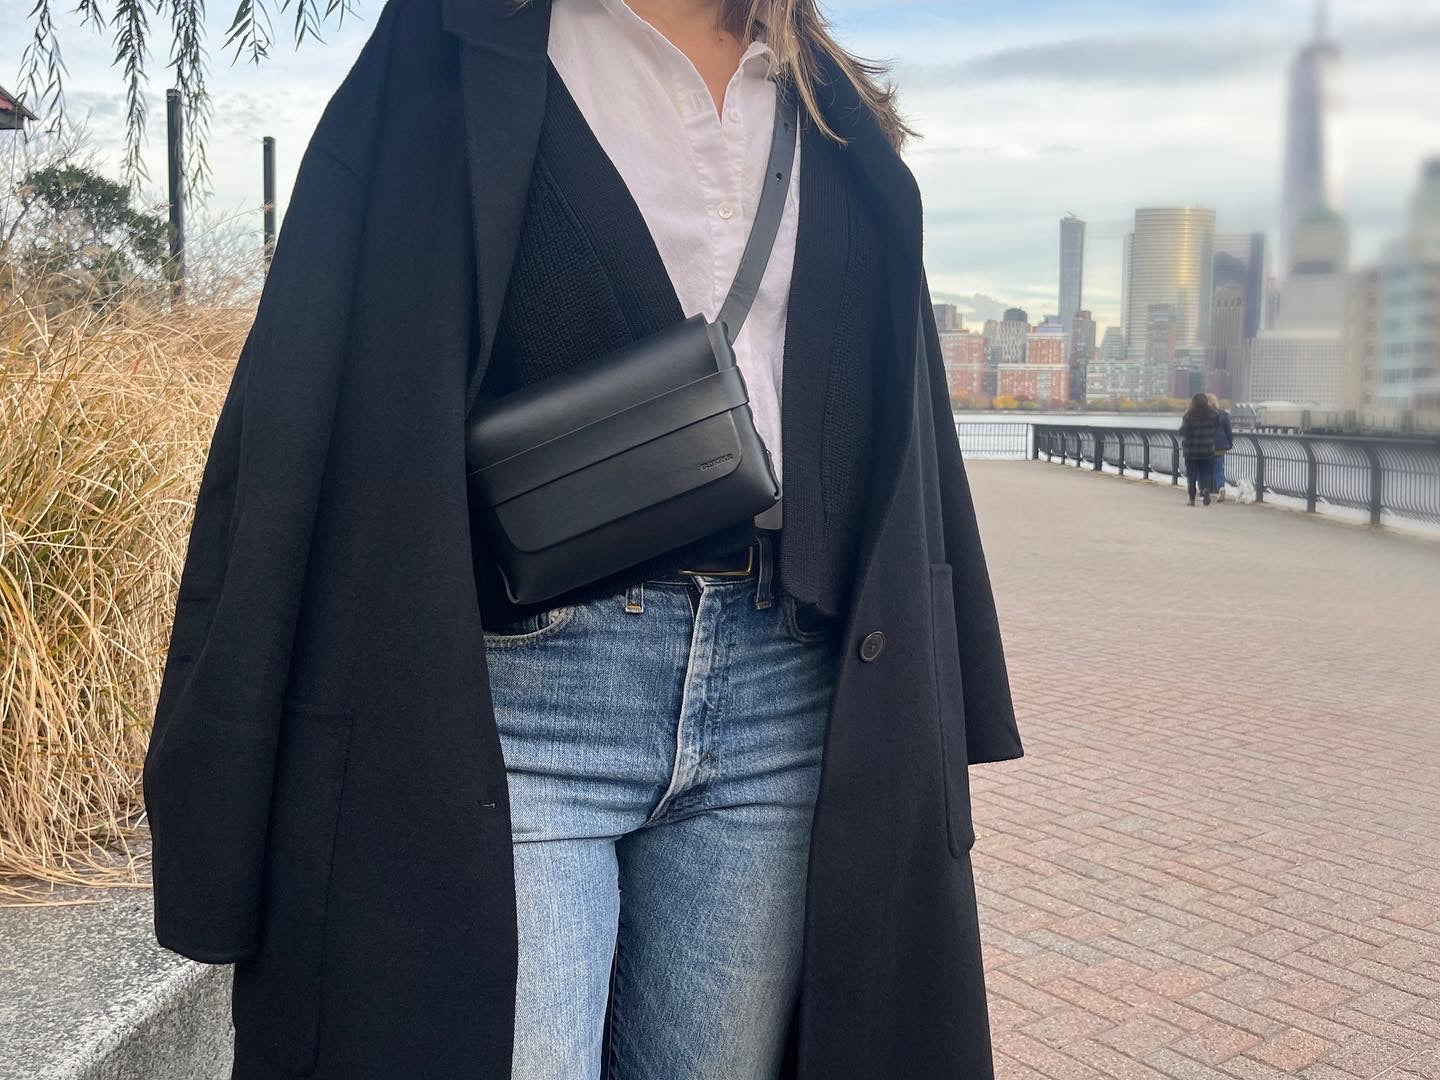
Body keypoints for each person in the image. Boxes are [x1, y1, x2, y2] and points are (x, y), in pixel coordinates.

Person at [140, 1, 1024, 1078]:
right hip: (521, 696)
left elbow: (895, 413)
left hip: (782, 693)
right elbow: (314, 375)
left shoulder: (817, 92)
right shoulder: (463, 42)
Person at [1179, 392, 1219, 506]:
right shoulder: (1214, 415)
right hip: (1207, 449)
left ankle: (1191, 499)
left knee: (1191, 475)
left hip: (1191, 450)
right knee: (1206, 473)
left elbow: (1184, 431)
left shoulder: (1189, 415)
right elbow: (1216, 429)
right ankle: (1205, 489)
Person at [1207, 392, 1233, 501]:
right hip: (1219, 446)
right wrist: (1229, 444)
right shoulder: (1223, 414)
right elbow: (1228, 431)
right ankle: (1221, 487)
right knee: (1218, 469)